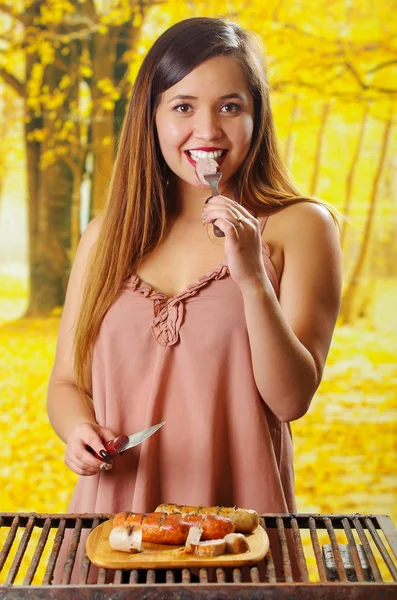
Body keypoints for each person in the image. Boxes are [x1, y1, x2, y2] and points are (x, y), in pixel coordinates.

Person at [47, 17, 342, 584]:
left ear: (256, 117)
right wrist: (78, 430)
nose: (207, 129)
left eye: (229, 107)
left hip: (238, 536)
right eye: (182, 106)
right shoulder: (106, 236)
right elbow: (65, 384)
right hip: (114, 531)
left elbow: (291, 399)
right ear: (151, 116)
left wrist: (252, 276)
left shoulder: (301, 227)